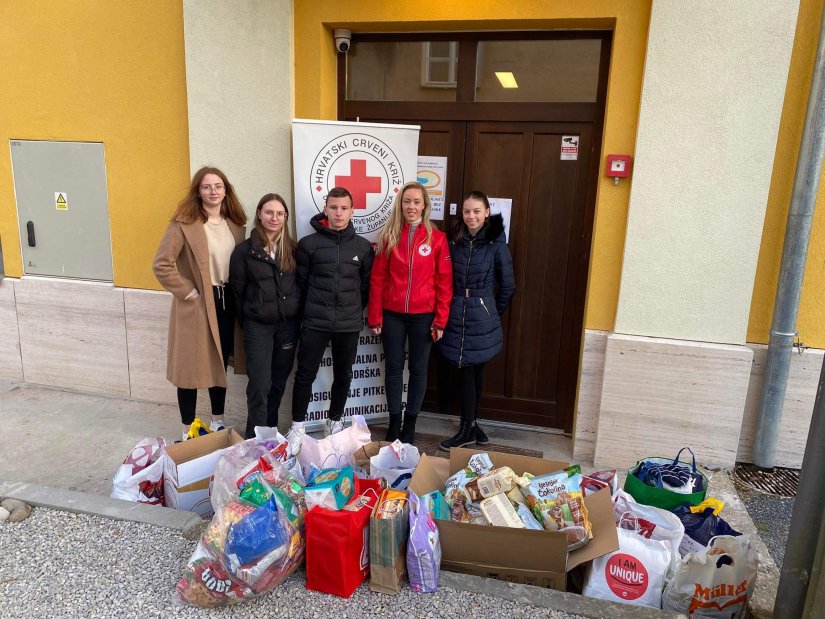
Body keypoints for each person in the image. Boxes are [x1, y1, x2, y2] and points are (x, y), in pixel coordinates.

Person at [153, 166, 247, 441]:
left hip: (226, 302)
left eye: (218, 186)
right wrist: (188, 292)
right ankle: (187, 430)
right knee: (189, 369)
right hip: (196, 305)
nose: (213, 191)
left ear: (226, 190)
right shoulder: (183, 224)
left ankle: (217, 421)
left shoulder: (235, 225)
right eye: (207, 186)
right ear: (198, 191)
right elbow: (162, 264)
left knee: (219, 364)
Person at [287, 187, 374, 453]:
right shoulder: (309, 245)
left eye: (344, 208)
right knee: (305, 375)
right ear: (325, 208)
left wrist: (354, 309)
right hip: (315, 321)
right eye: (333, 207)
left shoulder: (362, 246)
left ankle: (334, 421)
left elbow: (365, 285)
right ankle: (297, 426)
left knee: (344, 375)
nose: (338, 213)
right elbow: (300, 285)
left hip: (348, 323)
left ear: (352, 211)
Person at [368, 181, 452, 444]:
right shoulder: (389, 236)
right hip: (392, 314)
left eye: (416, 202)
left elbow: (445, 282)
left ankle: (411, 424)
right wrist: (375, 316)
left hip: (423, 316)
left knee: (418, 370)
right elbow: (377, 279)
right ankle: (394, 421)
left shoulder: (437, 239)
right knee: (393, 369)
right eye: (407, 202)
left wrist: (440, 320)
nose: (411, 206)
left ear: (425, 205)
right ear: (400, 205)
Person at [439, 190, 515, 450]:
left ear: (487, 213)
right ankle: (471, 424)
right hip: (457, 311)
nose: (471, 216)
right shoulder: (454, 241)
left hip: (482, 315)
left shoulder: (496, 244)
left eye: (476, 211)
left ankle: (467, 428)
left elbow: (508, 286)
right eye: (467, 211)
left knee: (474, 372)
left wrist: (490, 310)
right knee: (467, 372)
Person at [229, 193, 301, 439]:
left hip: (287, 327)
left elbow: (300, 285)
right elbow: (237, 293)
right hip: (258, 327)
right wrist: (252, 315)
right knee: (259, 385)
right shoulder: (244, 252)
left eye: (280, 213)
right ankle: (254, 438)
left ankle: (269, 435)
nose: (274, 218)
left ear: (285, 217)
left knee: (278, 383)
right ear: (259, 214)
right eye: (269, 212)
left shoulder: (293, 249)